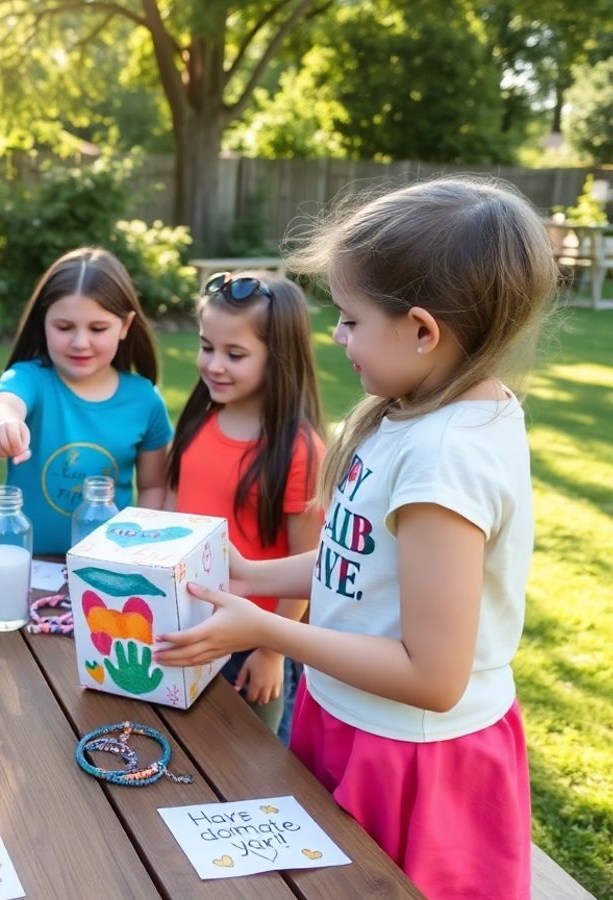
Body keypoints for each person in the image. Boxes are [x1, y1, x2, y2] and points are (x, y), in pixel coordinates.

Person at [155, 176, 556, 899]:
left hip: (409, 757)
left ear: (423, 330)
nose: (336, 339)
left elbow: (433, 677)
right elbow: (356, 561)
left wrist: (271, 635)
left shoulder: (445, 459)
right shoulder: (414, 413)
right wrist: (250, 573)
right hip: (345, 716)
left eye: (349, 319)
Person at [163, 270, 325, 734]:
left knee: (249, 765)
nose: (214, 365)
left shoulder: (299, 449)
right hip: (185, 624)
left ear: (279, 360)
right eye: (206, 346)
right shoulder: (198, 421)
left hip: (252, 642)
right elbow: (174, 515)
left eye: (235, 354)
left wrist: (272, 650)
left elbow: (307, 563)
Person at [0, 248, 172, 554]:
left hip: (105, 564)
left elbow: (153, 486)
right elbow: (6, 404)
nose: (80, 342)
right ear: (43, 322)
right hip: (22, 562)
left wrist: (139, 550)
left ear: (125, 326)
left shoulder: (145, 401)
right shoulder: (31, 379)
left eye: (97, 328)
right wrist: (5, 424)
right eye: (64, 327)